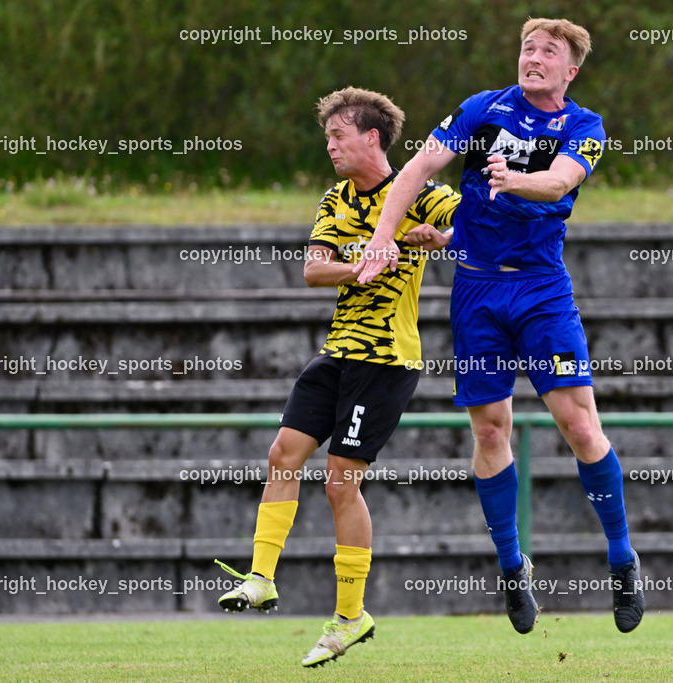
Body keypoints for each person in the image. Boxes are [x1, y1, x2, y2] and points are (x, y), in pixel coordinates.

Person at [354, 18, 644, 635]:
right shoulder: (483, 109)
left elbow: (559, 182)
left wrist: (515, 181)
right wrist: (389, 238)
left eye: (550, 53)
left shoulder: (584, 128)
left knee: (579, 424)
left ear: (571, 70)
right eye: (527, 48)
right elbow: (414, 172)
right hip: (477, 288)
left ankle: (622, 560)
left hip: (541, 289)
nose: (534, 58)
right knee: (491, 430)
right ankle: (513, 568)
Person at [214, 86, 459, 668]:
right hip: (338, 352)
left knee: (340, 483)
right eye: (327, 138)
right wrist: (361, 268)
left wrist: (439, 237)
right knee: (283, 453)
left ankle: (351, 618)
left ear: (371, 137)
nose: (329, 147)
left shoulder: (420, 193)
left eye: (337, 136)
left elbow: (477, 225)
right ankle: (261, 578)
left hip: (386, 360)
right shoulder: (336, 199)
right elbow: (313, 270)